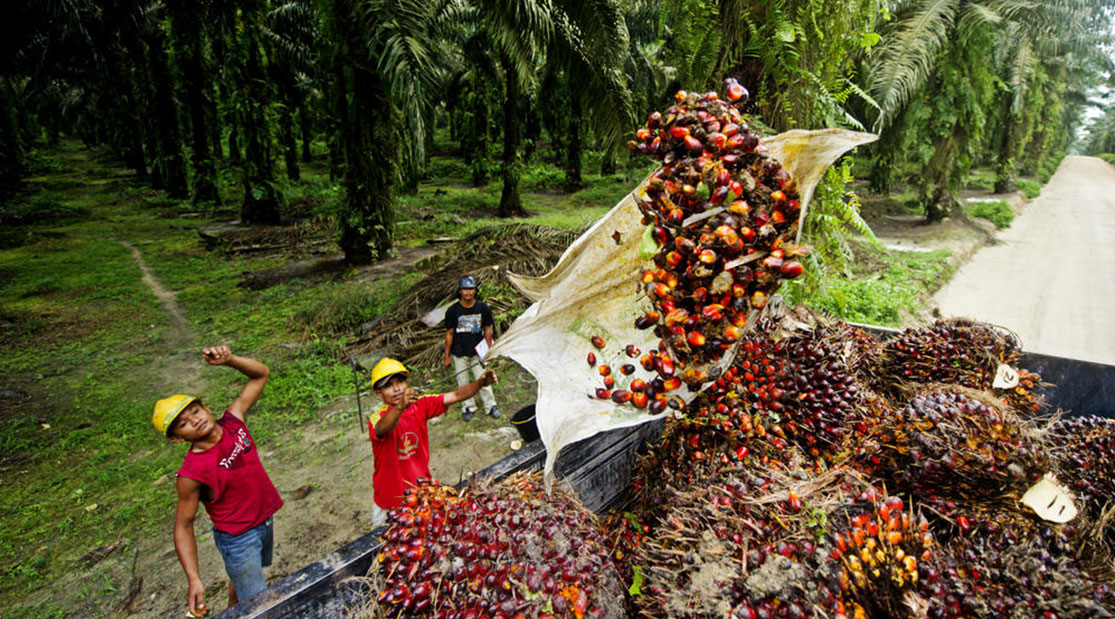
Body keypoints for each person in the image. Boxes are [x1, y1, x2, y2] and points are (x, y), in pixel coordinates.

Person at [152, 346, 281, 618]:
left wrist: (231, 360)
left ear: (206, 408)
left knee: (244, 585)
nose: (195, 421)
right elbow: (183, 526)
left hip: (264, 520)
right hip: (239, 539)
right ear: (177, 438)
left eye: (195, 411)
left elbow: (261, 374)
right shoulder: (191, 474)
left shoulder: (234, 420)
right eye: (183, 424)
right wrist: (194, 578)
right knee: (258, 604)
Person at [367, 357, 497, 527]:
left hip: (420, 491)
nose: (397, 388)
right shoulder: (377, 418)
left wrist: (480, 383)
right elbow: (382, 428)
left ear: (407, 383)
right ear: (379, 393)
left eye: (400, 382)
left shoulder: (420, 405)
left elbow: (456, 395)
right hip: (389, 498)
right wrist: (400, 407)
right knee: (385, 536)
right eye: (389, 385)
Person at [443, 274, 500, 421]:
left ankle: (490, 405)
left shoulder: (482, 308)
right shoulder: (453, 311)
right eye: (464, 289)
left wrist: (488, 351)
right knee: (463, 382)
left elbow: (487, 329)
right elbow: (449, 334)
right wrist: (447, 356)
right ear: (460, 291)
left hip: (477, 352)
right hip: (459, 352)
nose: (468, 292)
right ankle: (468, 407)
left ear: (475, 290)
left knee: (483, 378)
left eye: (470, 289)